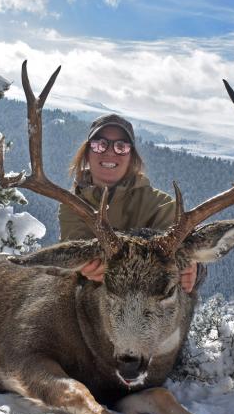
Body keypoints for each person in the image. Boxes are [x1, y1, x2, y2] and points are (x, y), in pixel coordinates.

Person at [58, 113, 200, 293]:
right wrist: (82, 268)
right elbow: (72, 256)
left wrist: (192, 270)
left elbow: (189, 251)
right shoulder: (73, 205)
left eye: (121, 147)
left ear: (131, 157)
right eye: (100, 145)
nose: (110, 151)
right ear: (87, 153)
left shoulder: (160, 205)